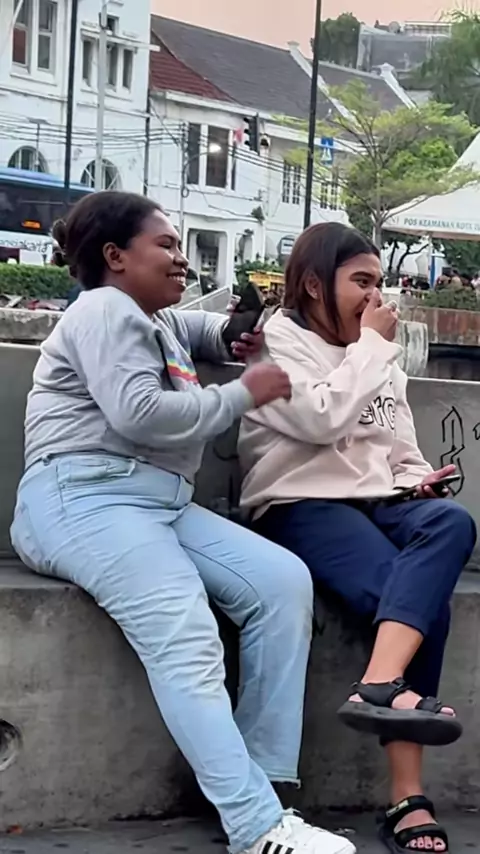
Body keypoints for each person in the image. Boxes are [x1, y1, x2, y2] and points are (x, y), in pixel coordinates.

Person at [10, 192, 354, 854]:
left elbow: (200, 332)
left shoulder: (152, 317)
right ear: (115, 257)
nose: (181, 259)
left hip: (158, 504)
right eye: (166, 245)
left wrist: (232, 334)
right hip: (82, 497)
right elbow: (139, 414)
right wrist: (242, 392)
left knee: (281, 583)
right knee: (186, 631)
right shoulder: (104, 309)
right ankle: (256, 827)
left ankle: (258, 785)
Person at [238, 222, 476, 854]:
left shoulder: (377, 353)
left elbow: (399, 446)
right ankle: (407, 800)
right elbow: (321, 420)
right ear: (316, 285)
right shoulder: (275, 343)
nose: (375, 298)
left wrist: (419, 481)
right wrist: (372, 347)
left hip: (380, 501)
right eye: (361, 282)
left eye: (379, 283)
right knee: (418, 600)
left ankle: (379, 682)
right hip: (301, 502)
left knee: (451, 523)